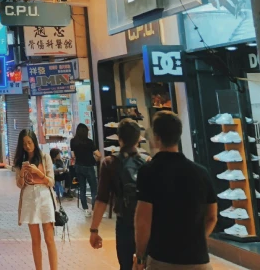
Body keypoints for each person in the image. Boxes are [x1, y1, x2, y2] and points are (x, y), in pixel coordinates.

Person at [134, 111, 217, 270]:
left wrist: (140, 256)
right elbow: (212, 216)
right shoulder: (201, 172)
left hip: (162, 260)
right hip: (199, 261)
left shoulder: (148, 172)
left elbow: (143, 219)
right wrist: (198, 240)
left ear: (156, 138)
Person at [88, 119, 146, 270]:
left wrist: (94, 230)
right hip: (147, 223)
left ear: (119, 138)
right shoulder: (147, 163)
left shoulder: (109, 163)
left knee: (126, 266)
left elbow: (101, 200)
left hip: (125, 224)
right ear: (139, 139)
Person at [15, 129, 57, 270]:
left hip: (44, 196)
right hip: (29, 197)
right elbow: (19, 184)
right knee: (35, 240)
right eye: (24, 143)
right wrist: (22, 173)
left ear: (34, 142)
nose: (27, 146)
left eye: (30, 142)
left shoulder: (45, 157)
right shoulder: (20, 161)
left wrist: (38, 172)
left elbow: (51, 181)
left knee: (49, 239)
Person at [70, 123, 101, 217]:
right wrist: (94, 160)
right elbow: (99, 155)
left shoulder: (73, 141)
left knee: (82, 188)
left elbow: (73, 156)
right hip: (89, 167)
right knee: (94, 189)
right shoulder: (90, 142)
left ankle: (86, 210)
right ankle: (94, 209)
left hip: (79, 167)